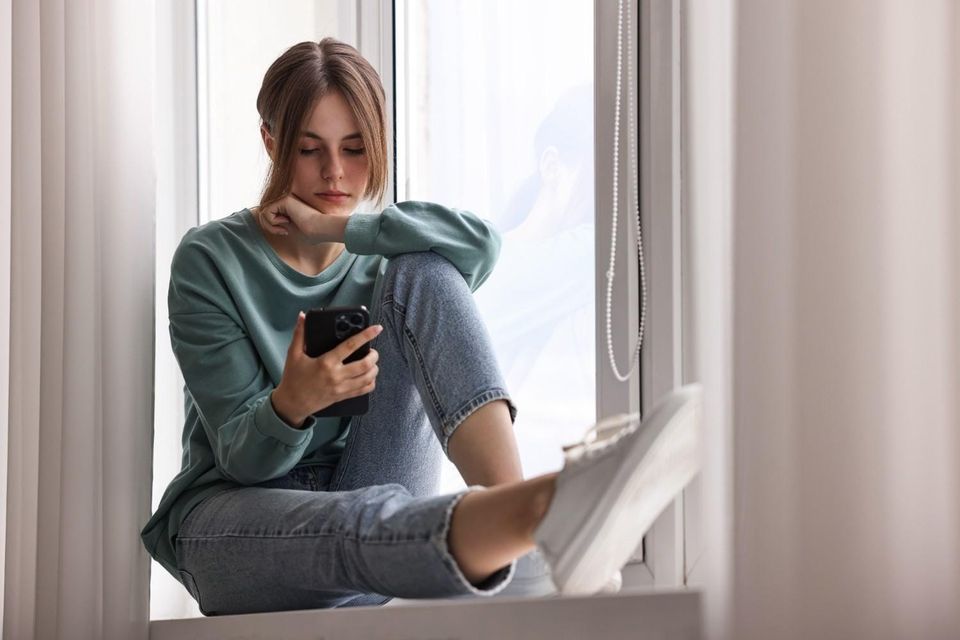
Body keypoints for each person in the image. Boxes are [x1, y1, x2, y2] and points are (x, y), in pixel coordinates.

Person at [139, 37, 701, 616]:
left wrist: (336, 227)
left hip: (372, 515)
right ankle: (535, 520)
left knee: (426, 269)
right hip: (236, 524)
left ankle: (521, 525)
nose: (335, 172)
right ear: (271, 141)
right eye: (309, 150)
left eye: (355, 149)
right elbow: (241, 460)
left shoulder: (377, 257)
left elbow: (480, 244)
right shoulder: (210, 259)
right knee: (357, 523)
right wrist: (292, 404)